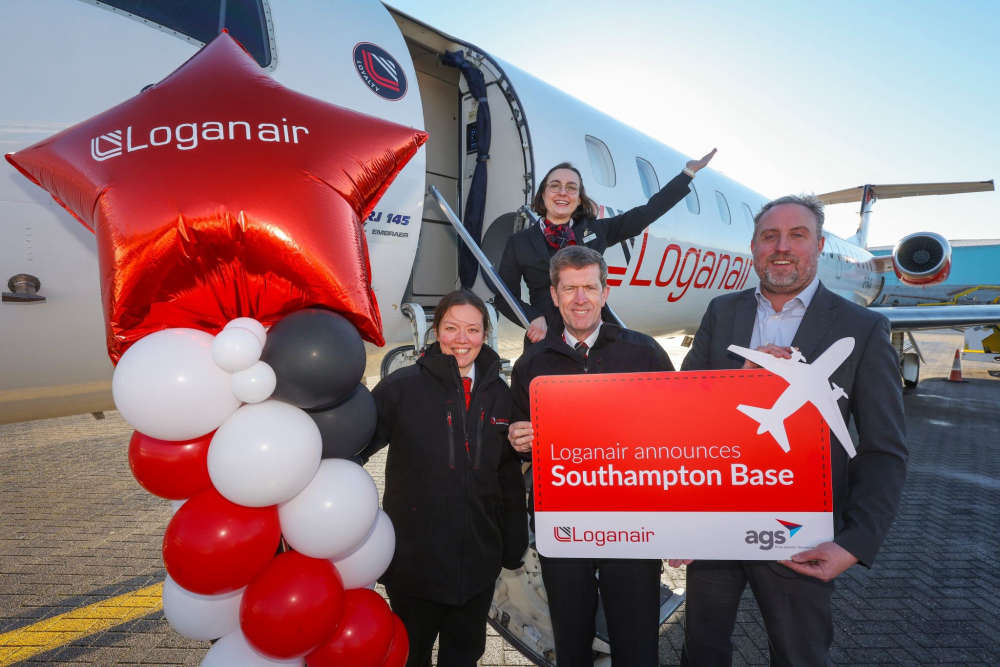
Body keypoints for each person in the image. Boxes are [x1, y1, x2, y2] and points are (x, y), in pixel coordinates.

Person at [675, 194, 908, 666]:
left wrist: (855, 542)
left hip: (801, 534)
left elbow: (884, 448)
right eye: (770, 236)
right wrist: (735, 383)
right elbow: (683, 410)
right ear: (754, 247)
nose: (782, 247)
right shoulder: (722, 312)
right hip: (716, 523)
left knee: (799, 654)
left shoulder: (862, 328)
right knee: (701, 651)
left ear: (819, 245)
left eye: (797, 235)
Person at [507, 245, 674, 666]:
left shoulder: (644, 353)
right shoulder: (532, 363)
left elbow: (676, 434)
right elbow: (516, 430)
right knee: (571, 639)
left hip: (631, 521)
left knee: (637, 642)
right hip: (562, 522)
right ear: (554, 294)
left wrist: (677, 522)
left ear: (605, 292)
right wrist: (517, 437)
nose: (579, 299)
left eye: (589, 288)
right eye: (569, 289)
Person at [359, 289, 528, 667]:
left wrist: (514, 539)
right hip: (414, 565)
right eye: (452, 328)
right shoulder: (401, 388)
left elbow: (508, 477)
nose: (462, 339)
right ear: (436, 331)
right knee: (409, 656)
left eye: (473, 329)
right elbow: (356, 449)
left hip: (477, 567)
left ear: (485, 334)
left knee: (463, 657)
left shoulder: (499, 394)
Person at [496, 148, 717, 343]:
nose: (563, 192)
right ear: (543, 195)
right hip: (546, 337)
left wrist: (687, 174)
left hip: (598, 336)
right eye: (555, 186)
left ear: (579, 199)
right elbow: (504, 297)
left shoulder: (596, 231)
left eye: (571, 188)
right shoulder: (519, 242)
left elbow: (646, 213)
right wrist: (532, 317)